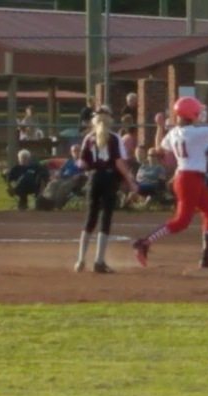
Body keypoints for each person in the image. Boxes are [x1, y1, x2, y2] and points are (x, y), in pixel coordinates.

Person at [132, 92, 208, 270]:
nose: (200, 115)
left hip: (190, 178)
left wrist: (159, 127)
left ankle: (207, 257)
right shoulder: (195, 132)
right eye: (197, 112)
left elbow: (158, 148)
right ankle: (145, 242)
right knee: (181, 221)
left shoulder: (176, 132)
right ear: (191, 115)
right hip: (188, 180)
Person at [73, 105, 139, 274]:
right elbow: (118, 162)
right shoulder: (115, 138)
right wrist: (130, 182)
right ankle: (99, 261)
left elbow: (82, 163)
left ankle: (80, 259)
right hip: (109, 178)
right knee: (106, 218)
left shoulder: (89, 137)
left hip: (94, 178)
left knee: (91, 217)